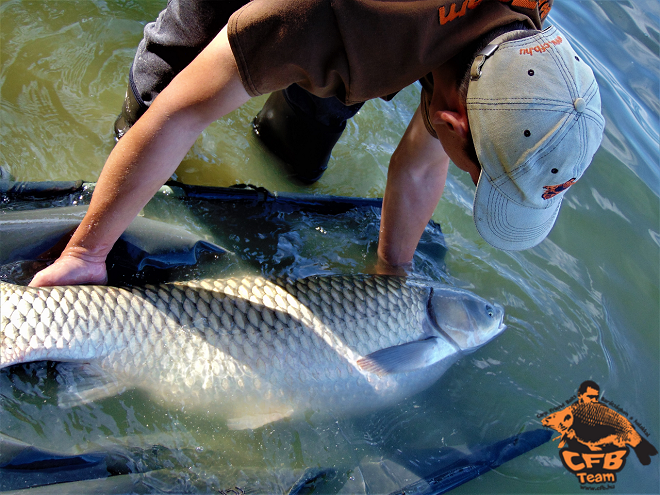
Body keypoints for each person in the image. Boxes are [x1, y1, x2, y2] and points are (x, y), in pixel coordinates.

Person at [29, 0, 604, 288]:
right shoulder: (333, 26)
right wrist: (86, 255)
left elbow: (423, 164)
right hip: (334, 17)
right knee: (163, 99)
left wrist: (392, 273)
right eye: (482, 175)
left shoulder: (524, 25)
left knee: (297, 160)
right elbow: (180, 118)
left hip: (371, 31)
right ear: (453, 120)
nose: (476, 180)